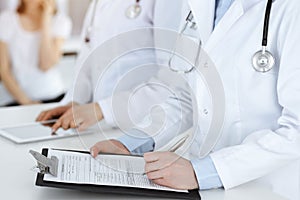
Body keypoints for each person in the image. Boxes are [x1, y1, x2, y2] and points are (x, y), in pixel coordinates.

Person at [90, 0, 300, 200]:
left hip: (272, 187)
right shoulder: (199, 5)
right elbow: (187, 95)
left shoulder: (291, 8)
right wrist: (131, 143)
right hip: (203, 186)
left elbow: (296, 129)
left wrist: (206, 171)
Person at [36, 0, 185, 132]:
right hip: (97, 125)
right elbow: (88, 56)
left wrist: (103, 109)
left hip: (144, 126)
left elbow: (173, 77)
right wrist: (75, 101)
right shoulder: (98, 3)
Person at [0, 0, 71, 106]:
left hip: (53, 96)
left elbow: (46, 64)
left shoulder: (60, 21)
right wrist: (27, 102)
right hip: (14, 99)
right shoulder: (6, 20)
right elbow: (3, 70)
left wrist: (45, 19)